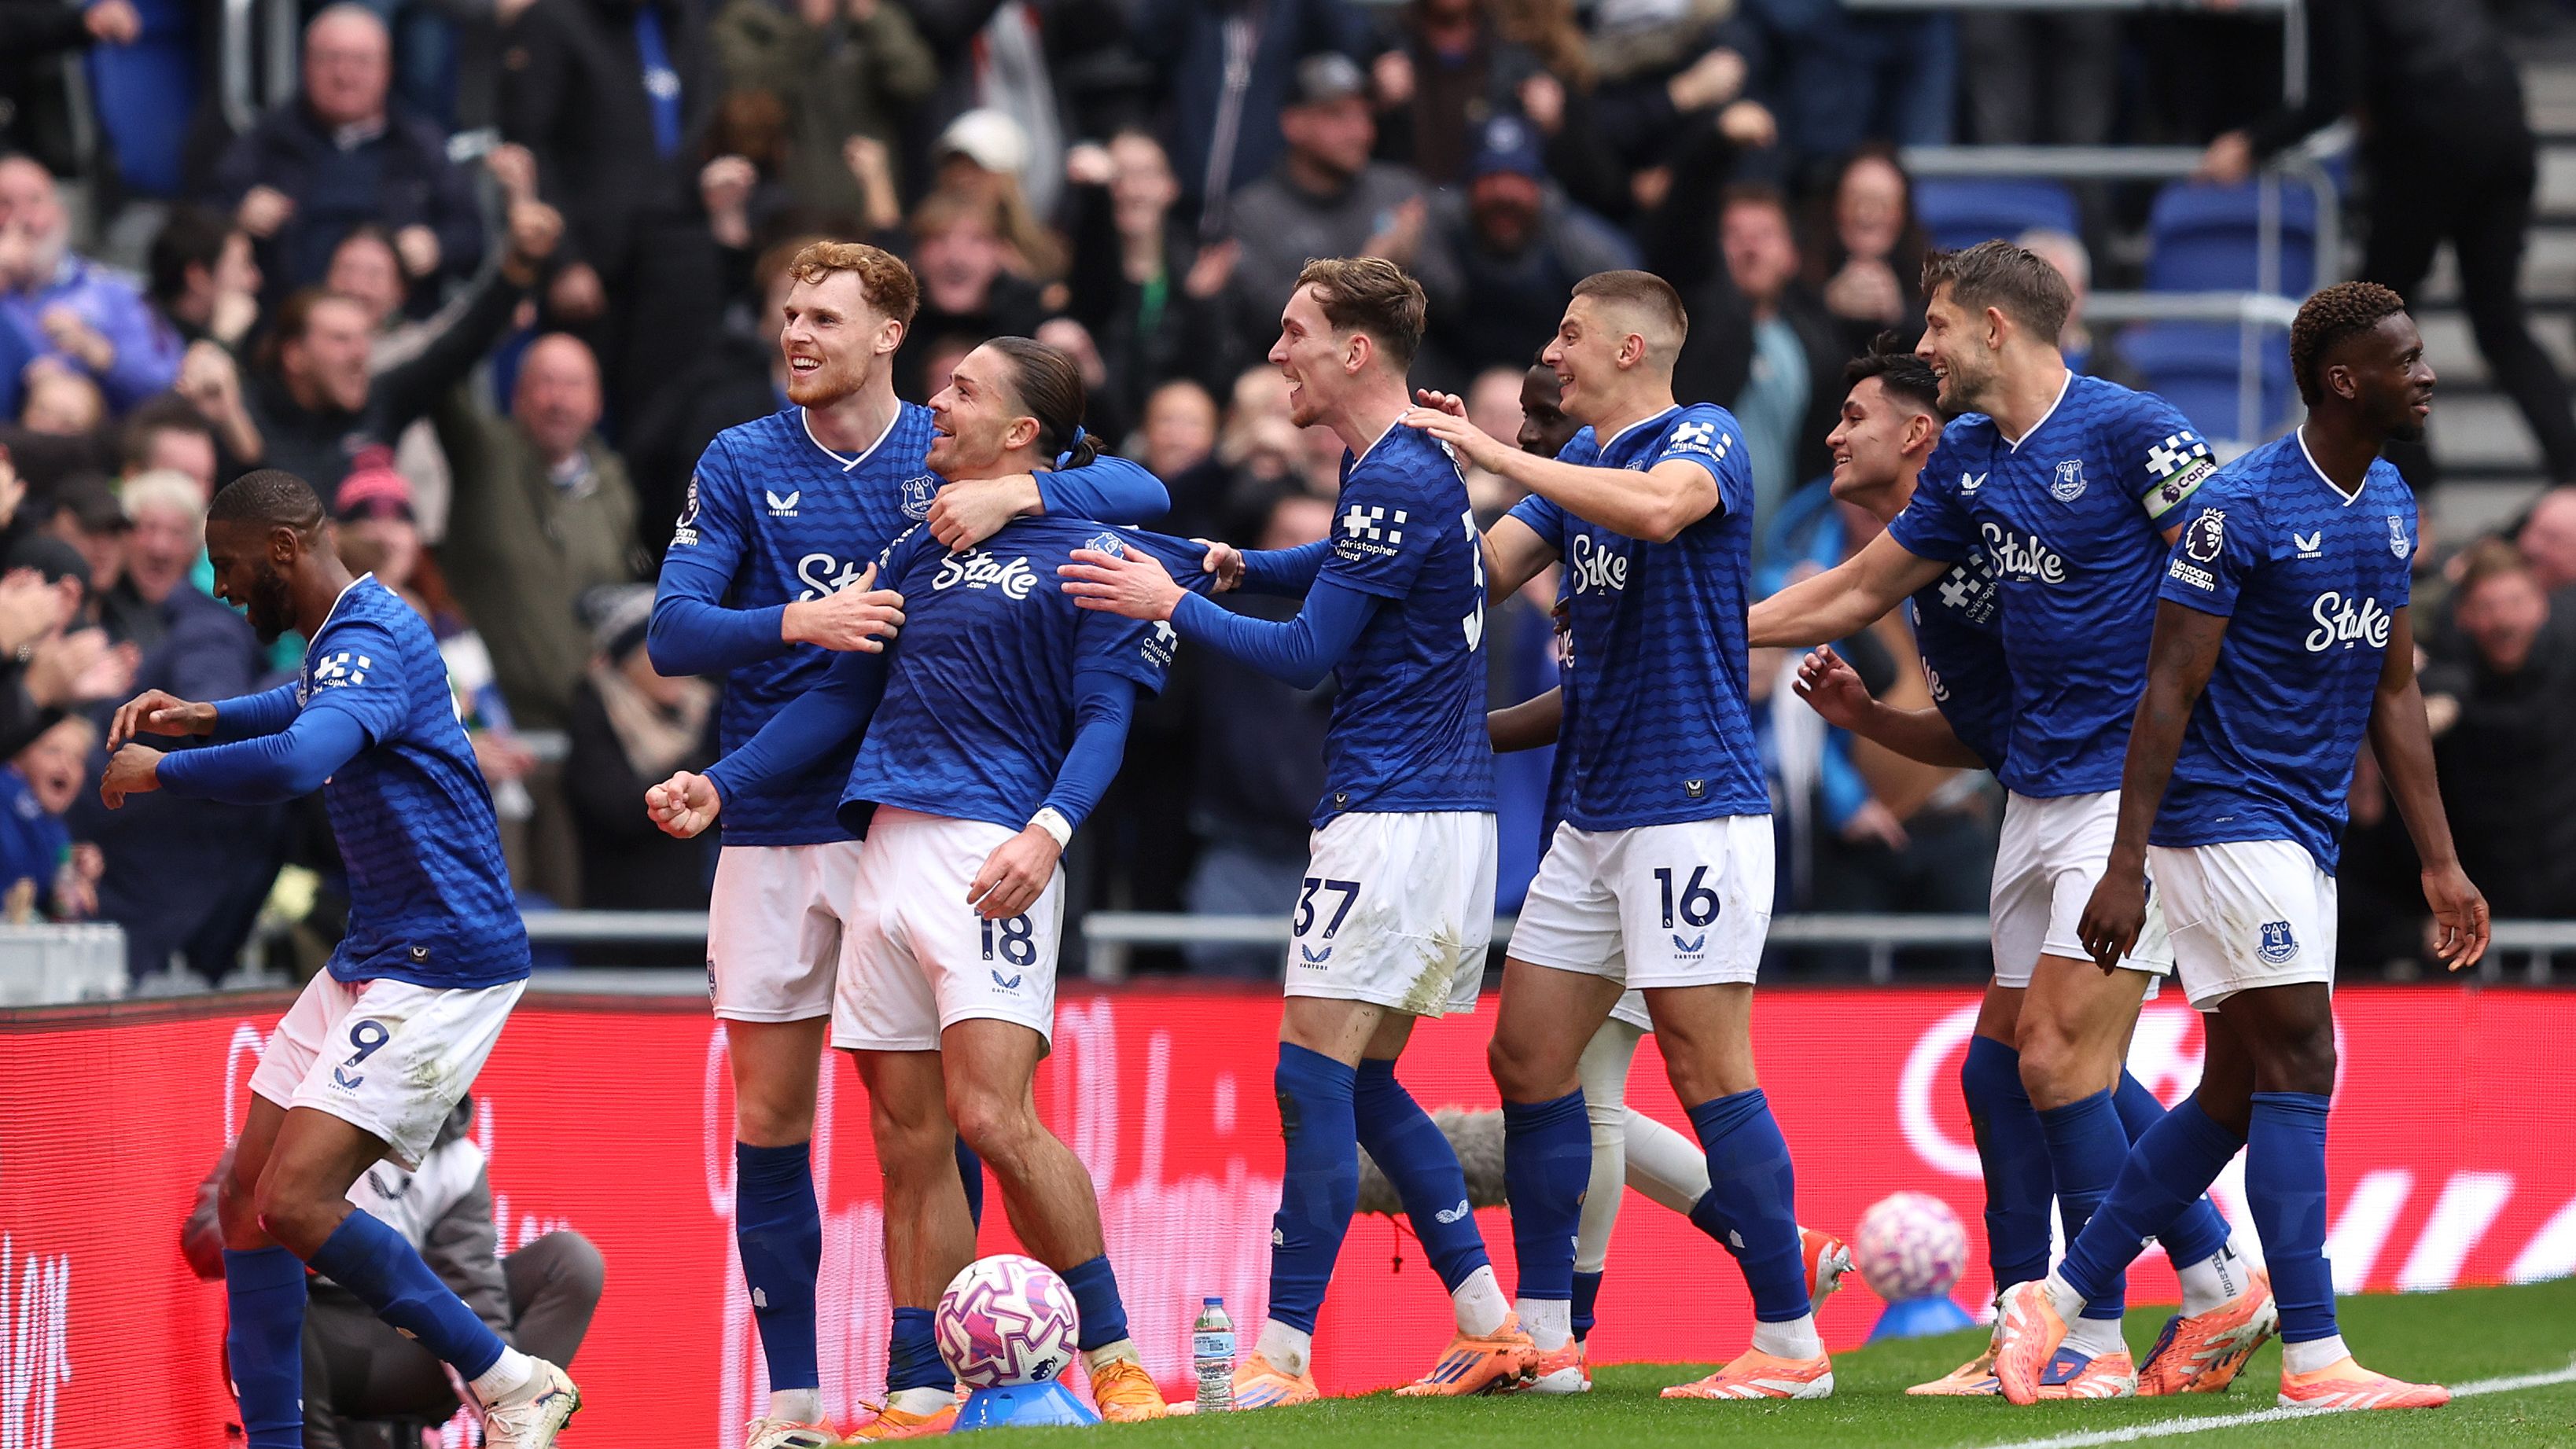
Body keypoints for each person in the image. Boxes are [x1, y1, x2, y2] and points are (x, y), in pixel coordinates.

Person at [642, 240, 1165, 1449]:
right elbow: (705, 642)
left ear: (890, 333)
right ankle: (865, 1392)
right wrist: (729, 762)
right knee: (868, 1125)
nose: (795, 333)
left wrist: (1021, 495)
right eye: (788, 313)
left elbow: (1145, 495)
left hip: (971, 837)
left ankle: (1097, 1357)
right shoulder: (804, 485)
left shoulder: (1025, 512)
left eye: (824, 315)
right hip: (833, 825)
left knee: (986, 1113)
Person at [1751, 241, 2257, 1398]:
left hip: (2126, 796)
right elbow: (1860, 588)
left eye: (1935, 324)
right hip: (2034, 795)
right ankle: (2176, 1283)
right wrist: (1718, 630)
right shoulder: (1971, 464)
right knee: (2014, 1067)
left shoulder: (2133, 430)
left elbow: (2235, 572)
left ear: (1992, 325)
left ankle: (2097, 1333)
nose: (1925, 344)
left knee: (2061, 1061)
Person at [1993, 281, 2491, 1410]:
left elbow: (2395, 688)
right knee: (2304, 1060)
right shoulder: (2240, 508)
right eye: (2406, 358)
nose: (2426, 374)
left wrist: (2440, 858)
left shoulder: (2389, 500)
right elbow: (2166, 690)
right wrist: (2124, 864)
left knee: (2233, 1088)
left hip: (2302, 828)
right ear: (2343, 380)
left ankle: (2056, 1300)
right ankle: (2314, 1355)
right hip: (2221, 815)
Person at [1059, 256, 1522, 1404]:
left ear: (1354, 351)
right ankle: (1490, 1322)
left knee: (1308, 1080)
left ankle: (1284, 1354)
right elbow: (1351, 562)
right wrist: (1239, 564)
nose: (1277, 355)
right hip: (1444, 816)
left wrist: (1172, 602)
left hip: (1391, 816)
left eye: (1294, 332)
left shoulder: (1392, 470)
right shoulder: (1408, 462)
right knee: (1364, 1084)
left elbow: (1309, 652)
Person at [1401, 270, 1831, 1399]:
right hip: (1593, 815)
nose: (1553, 352)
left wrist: (1493, 452)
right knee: (1527, 1057)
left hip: (1691, 803)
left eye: (1571, 333)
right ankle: (1548, 1338)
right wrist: (1407, 479)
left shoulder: (1703, 437)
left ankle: (1790, 1342)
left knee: (1704, 1065)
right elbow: (1480, 574)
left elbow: (1659, 511)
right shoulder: (1583, 466)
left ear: (1632, 349)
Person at [96, 469, 578, 1447]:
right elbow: (307, 704)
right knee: (246, 1201)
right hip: (384, 945)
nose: (221, 587)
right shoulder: (352, 634)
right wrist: (209, 716)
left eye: (229, 564)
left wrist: (166, 771)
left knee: (296, 1200)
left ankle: (511, 1380)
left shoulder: (367, 637)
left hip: (445, 957)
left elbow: (301, 758)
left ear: (282, 549)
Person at [2202, 0, 2576, 488]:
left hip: (2430, 138)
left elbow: (2331, 96)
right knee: (2498, 320)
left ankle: (2415, 491)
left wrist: (2250, 145)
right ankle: (2569, 472)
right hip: (2503, 123)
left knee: (2374, 325)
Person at [182, 1100, 607, 1449]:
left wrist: (499, 1393)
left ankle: (514, 1429)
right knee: (281, 1294)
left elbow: (475, 1291)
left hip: (414, 1340)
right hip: (321, 1337)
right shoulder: (289, 1128)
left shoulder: (457, 1161)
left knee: (571, 1261)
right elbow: (201, 1239)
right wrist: (290, 1237)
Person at [240, 193, 562, 499]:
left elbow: (460, 344)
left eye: (362, 339)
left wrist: (519, 263)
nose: (360, 354)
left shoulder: (380, 402)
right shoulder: (247, 414)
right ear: (295, 355)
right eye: (340, 340)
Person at [431, 332, 646, 733]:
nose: (559, 400)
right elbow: (442, 373)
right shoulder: (483, 456)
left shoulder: (615, 485)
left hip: (591, 729)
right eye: (546, 382)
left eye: (574, 384)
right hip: (495, 728)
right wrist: (497, 308)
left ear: (597, 402)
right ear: (517, 397)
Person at [208, 6, 486, 307]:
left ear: (388, 69)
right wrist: (238, 218)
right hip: (292, 319)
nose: (345, 75)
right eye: (330, 59)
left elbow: (472, 239)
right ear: (305, 65)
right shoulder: (269, 139)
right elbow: (202, 223)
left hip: (400, 325)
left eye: (362, 61)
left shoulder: (420, 144)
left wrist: (438, 247)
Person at [1222, 56, 1447, 367]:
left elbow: (1451, 300)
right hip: (1302, 380)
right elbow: (1264, 321)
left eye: (1364, 115)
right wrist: (1373, 266)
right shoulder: (1253, 213)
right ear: (1294, 124)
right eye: (1337, 115)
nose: (1360, 132)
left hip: (1405, 378)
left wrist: (1412, 263)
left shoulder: (1399, 191)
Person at [2423, 540, 2576, 919]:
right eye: (2487, 607)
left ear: (2541, 605)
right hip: (2480, 888)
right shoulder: (2443, 675)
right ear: (2463, 615)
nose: (2504, 621)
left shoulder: (2567, 656)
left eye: (2516, 603)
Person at [564, 585, 716, 914]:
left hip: (699, 905)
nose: (678, 662)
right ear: (627, 661)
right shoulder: (595, 714)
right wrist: (695, 772)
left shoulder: (705, 709)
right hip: (625, 914)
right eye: (659, 651)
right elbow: (618, 811)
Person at [0, 153, 180, 412]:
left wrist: (100, 353)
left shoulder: (115, 292)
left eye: (34, 201)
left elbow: (169, 388)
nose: (22, 219)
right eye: (4, 204)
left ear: (61, 212)